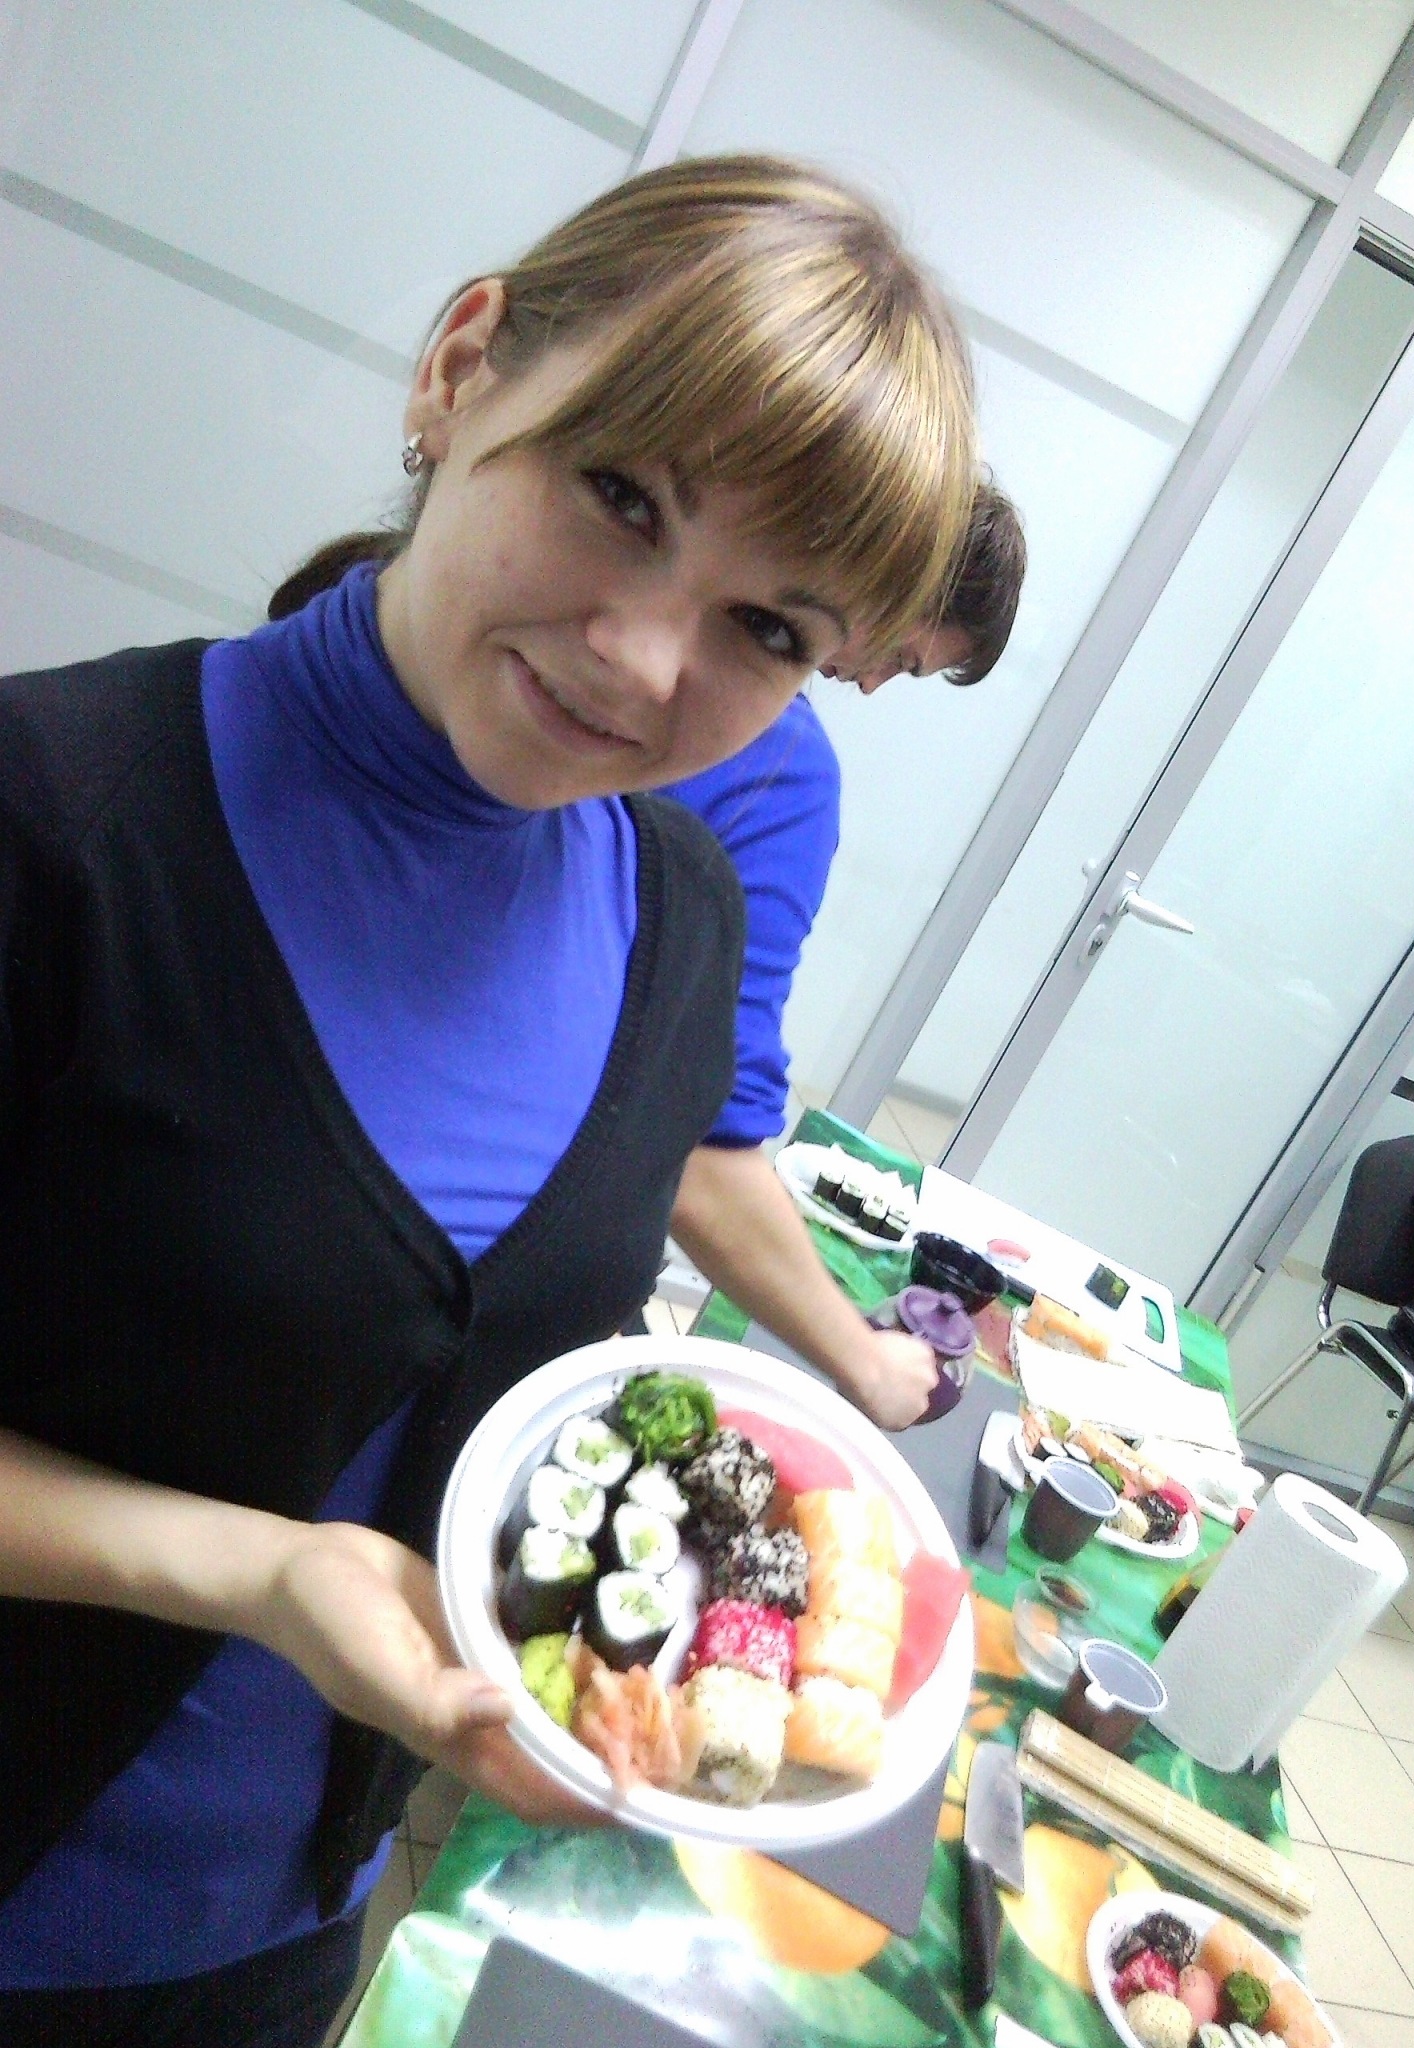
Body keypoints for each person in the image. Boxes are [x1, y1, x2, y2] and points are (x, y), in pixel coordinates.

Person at [0, 154, 977, 2047]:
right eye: (623, 497)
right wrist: (259, 1570)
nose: (644, 660)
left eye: (770, 630)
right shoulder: (55, 826)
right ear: (462, 368)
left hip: (288, 1937)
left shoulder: (676, 919)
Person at [658, 482, 1027, 1429]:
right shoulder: (779, 765)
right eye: (899, 658)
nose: (866, 684)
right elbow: (701, 1132)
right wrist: (865, 1361)